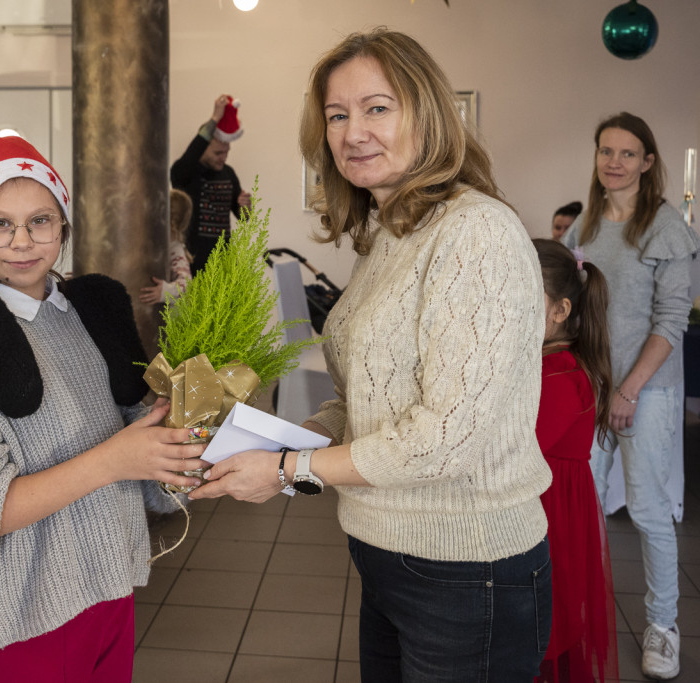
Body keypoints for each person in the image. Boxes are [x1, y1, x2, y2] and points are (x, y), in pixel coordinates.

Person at [190, 28, 553, 681]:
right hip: (385, 553)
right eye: (337, 114)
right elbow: (361, 400)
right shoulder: (388, 233)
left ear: (429, 115)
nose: (353, 130)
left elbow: (439, 442)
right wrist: (281, 444)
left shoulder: (473, 231)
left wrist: (283, 471)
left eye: (377, 108)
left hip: (466, 572)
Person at [0, 135, 207, 681]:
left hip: (111, 589)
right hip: (24, 613)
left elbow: (124, 439)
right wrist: (114, 459)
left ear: (63, 228)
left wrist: (167, 435)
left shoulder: (80, 317)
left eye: (40, 221)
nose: (22, 241)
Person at [562, 112, 698, 680]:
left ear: (647, 162)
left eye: (626, 153)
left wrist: (629, 389)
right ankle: (582, 617)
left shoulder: (666, 228)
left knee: (647, 512)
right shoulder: (585, 226)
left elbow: (671, 322)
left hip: (648, 393)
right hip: (591, 390)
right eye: (605, 151)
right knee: (584, 511)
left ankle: (662, 629)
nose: (614, 162)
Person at [532, 238, 619, 683]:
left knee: (545, 625)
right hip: (546, 505)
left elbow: (522, 451)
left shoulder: (562, 374)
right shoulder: (546, 364)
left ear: (559, 310)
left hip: (552, 515)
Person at [170, 94, 251, 274]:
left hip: (223, 262)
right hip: (192, 260)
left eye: (226, 152)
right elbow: (191, 155)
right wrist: (215, 118)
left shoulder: (228, 173)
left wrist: (246, 207)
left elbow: (243, 217)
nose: (224, 157)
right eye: (218, 153)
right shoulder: (184, 173)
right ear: (203, 147)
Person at [139, 187, 193, 304]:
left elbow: (186, 283)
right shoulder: (158, 243)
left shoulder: (175, 248)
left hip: (172, 318)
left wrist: (166, 292)